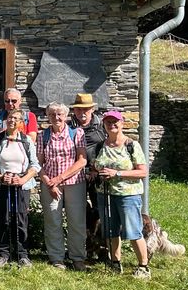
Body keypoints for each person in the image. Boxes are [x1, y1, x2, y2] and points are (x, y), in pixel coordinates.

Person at [91, 110, 151, 279]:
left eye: (115, 121)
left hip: (128, 195)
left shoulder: (131, 145)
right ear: (104, 125)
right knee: (110, 231)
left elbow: (142, 172)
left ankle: (143, 266)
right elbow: (96, 166)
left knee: (133, 231)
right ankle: (115, 263)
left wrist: (117, 174)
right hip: (105, 194)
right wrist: (96, 173)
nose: (112, 125)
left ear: (122, 123)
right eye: (108, 122)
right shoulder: (101, 146)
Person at [37, 102, 88, 271]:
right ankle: (57, 257)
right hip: (50, 185)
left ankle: (77, 257)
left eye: (59, 114)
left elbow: (82, 160)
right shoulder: (42, 135)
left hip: (74, 184)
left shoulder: (77, 133)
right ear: (48, 116)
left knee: (77, 222)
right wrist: (49, 182)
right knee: (53, 221)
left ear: (66, 116)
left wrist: (59, 178)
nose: (56, 118)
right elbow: (38, 164)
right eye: (52, 114)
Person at [0, 110, 40, 267]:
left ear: (21, 122)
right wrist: (0, 177)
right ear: (6, 120)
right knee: (3, 218)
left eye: (16, 119)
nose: (12, 121)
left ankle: (22, 254)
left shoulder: (26, 141)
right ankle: (3, 253)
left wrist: (22, 179)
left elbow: (35, 164)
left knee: (20, 219)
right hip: (2, 184)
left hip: (21, 185)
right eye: (10, 117)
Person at [69, 92, 107, 260]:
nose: (82, 113)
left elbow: (108, 150)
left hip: (98, 176)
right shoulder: (68, 126)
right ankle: (83, 248)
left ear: (92, 109)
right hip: (76, 175)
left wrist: (95, 170)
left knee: (101, 212)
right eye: (78, 109)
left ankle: (103, 248)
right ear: (74, 110)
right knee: (79, 211)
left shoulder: (102, 126)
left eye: (85, 109)